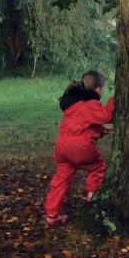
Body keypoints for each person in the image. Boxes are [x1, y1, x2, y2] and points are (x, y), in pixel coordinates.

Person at [44, 70, 114, 225]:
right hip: (80, 148)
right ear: (98, 89)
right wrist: (114, 100)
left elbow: (80, 124)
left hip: (62, 148)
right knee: (98, 166)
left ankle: (51, 214)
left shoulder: (73, 104)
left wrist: (100, 131)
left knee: (61, 179)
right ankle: (92, 196)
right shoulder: (90, 104)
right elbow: (107, 116)